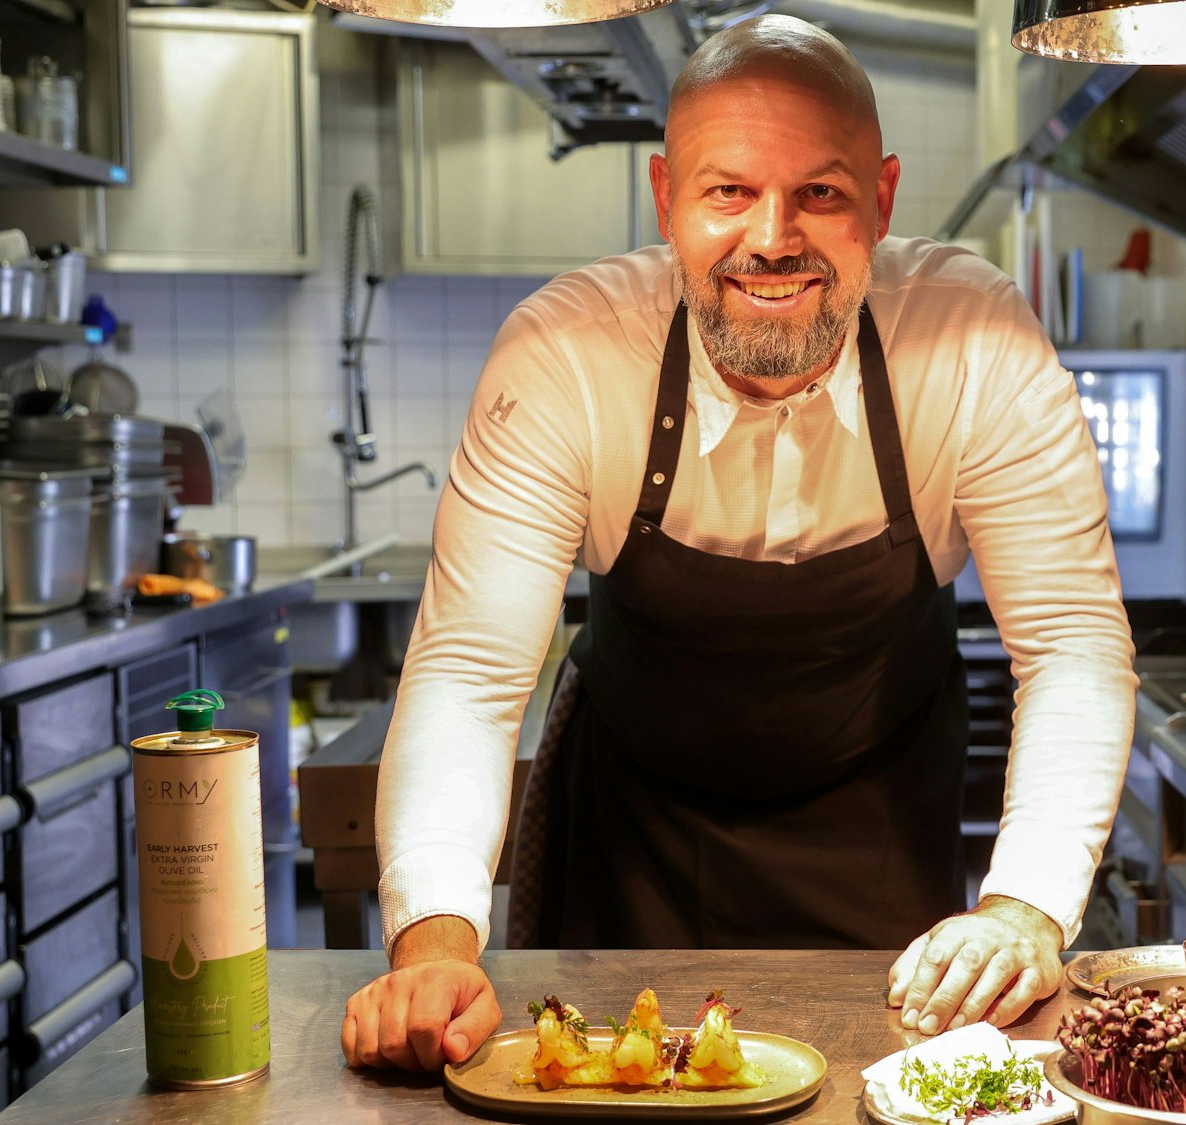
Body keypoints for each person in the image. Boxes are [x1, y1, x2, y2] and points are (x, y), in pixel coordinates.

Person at [340, 14, 1136, 1073]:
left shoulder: (973, 343)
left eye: (820, 193)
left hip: (877, 831)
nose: (771, 238)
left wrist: (1024, 909)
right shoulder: (568, 355)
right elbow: (470, 674)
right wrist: (435, 945)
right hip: (630, 842)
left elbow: (1073, 644)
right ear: (665, 197)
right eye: (728, 192)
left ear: (883, 199)